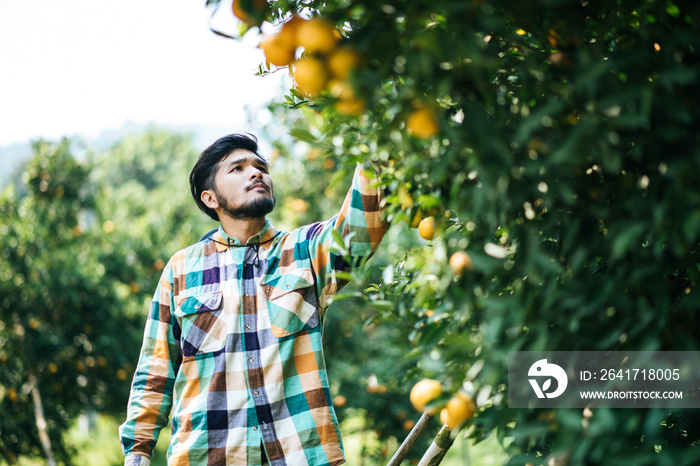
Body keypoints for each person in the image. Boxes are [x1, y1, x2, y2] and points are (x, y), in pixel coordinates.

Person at [119, 133, 389, 466]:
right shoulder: (181, 270)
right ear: (210, 198)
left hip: (300, 454)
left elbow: (360, 232)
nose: (256, 173)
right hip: (208, 456)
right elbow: (155, 369)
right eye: (238, 168)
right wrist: (138, 450)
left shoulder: (303, 252)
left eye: (261, 166)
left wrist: (374, 136)